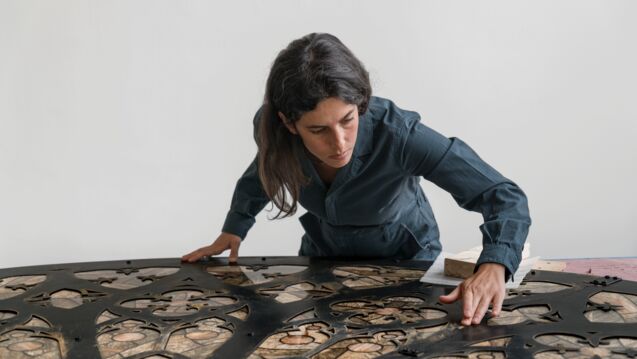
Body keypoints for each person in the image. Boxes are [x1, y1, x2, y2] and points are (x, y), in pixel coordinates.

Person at [182, 33, 531, 326]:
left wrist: (496, 263)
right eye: (318, 130)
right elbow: (265, 167)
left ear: (361, 103)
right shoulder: (273, 132)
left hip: (407, 263)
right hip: (323, 259)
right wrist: (235, 227)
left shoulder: (401, 134)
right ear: (288, 124)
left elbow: (502, 194)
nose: (340, 143)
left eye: (348, 120)